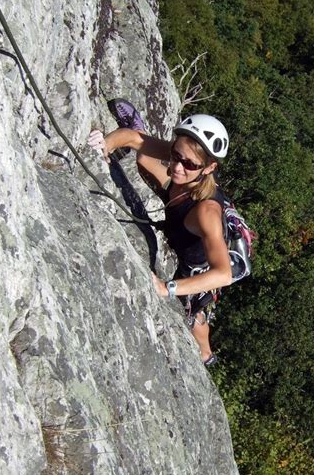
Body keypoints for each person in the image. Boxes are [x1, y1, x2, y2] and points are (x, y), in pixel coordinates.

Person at [88, 99, 232, 367]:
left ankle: (206, 354)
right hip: (178, 207)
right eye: (176, 155)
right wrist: (105, 144)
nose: (177, 166)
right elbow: (133, 138)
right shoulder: (183, 157)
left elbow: (223, 274)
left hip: (196, 265)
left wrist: (168, 288)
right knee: (144, 156)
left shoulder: (206, 213)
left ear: (209, 168)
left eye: (189, 164)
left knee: (197, 318)